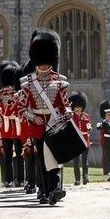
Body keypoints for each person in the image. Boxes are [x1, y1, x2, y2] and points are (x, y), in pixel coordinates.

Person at [17, 29, 72, 205]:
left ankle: (55, 188)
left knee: (54, 157)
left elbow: (64, 103)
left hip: (54, 124)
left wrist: (67, 113)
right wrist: (33, 117)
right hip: (38, 125)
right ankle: (45, 189)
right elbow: (21, 108)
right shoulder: (28, 84)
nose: (43, 66)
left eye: (46, 62)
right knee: (42, 159)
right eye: (40, 63)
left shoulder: (60, 82)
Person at [0, 60, 23, 188]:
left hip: (17, 126)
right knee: (7, 155)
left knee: (21, 153)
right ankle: (8, 179)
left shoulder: (18, 94)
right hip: (6, 127)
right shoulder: (0, 95)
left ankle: (21, 178)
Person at [70, 91, 91, 185]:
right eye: (76, 107)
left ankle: (85, 177)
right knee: (76, 162)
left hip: (85, 141)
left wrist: (89, 128)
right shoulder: (71, 117)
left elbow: (89, 127)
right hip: (75, 141)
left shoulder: (86, 116)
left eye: (79, 107)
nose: (78, 109)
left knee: (85, 162)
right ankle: (77, 179)